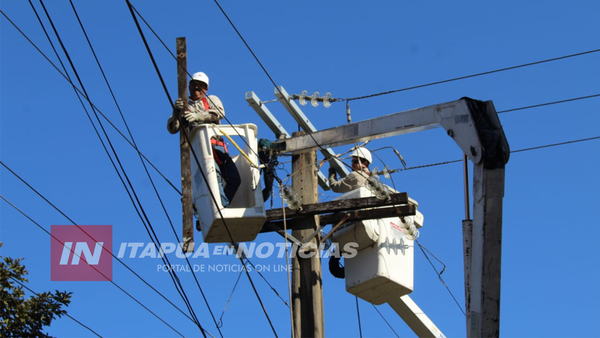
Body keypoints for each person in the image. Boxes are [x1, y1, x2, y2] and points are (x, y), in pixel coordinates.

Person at [167, 71, 241, 208]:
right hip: (198, 148)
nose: (196, 88)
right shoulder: (184, 105)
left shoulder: (211, 99)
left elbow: (219, 113)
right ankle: (220, 208)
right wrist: (176, 112)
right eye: (194, 85)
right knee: (214, 175)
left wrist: (198, 116)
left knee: (234, 179)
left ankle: (220, 205)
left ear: (205, 89)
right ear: (189, 87)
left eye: (200, 86)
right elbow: (173, 128)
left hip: (216, 146)